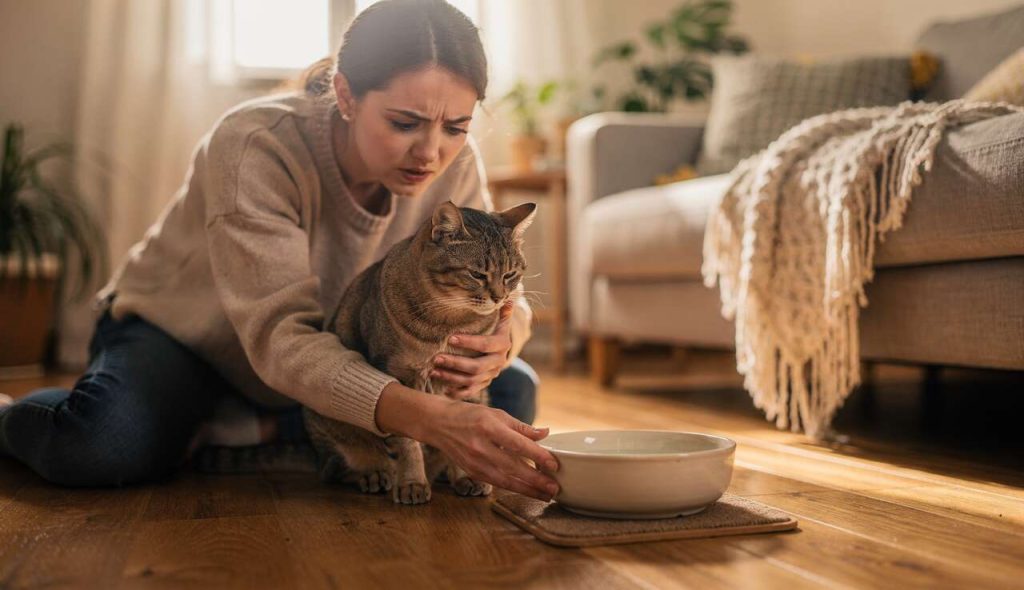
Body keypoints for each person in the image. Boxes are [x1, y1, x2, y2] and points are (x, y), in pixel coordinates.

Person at [0, 0, 560, 502]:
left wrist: (504, 339)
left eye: (456, 127)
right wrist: (430, 420)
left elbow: (499, 286)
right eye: (404, 122)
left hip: (340, 353)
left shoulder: (456, 165)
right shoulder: (254, 144)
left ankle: (256, 427)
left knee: (512, 393)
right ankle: (16, 415)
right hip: (188, 341)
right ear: (345, 95)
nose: (432, 152)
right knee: (101, 445)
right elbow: (279, 336)